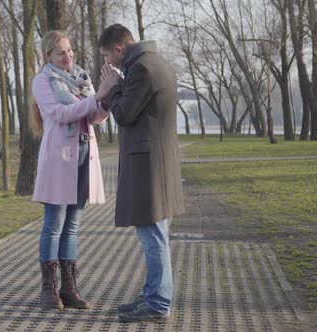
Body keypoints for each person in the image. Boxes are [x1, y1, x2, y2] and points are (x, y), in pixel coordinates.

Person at [98, 24, 185, 322]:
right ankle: (152, 296)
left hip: (149, 166)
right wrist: (120, 85)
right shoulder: (155, 62)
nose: (108, 63)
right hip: (158, 163)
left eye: (108, 56)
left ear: (119, 49)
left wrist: (112, 87)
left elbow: (123, 114)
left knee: (152, 236)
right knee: (155, 234)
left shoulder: (142, 69)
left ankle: (158, 303)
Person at [32, 30, 112, 310]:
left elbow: (96, 118)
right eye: (61, 52)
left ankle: (69, 289)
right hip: (58, 159)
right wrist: (96, 98)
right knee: (53, 226)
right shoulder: (42, 81)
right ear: (48, 56)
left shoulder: (82, 79)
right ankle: (48, 290)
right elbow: (58, 113)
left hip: (84, 155)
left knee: (73, 226)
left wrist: (105, 99)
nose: (68, 56)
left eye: (70, 51)